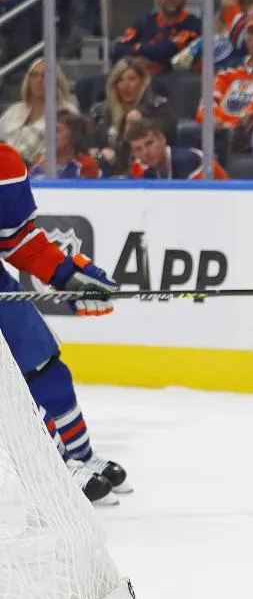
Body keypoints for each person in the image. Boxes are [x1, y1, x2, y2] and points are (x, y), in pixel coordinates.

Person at [0, 141, 128, 504]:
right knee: (9, 393)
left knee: (45, 368)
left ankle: (83, 458)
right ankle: (56, 468)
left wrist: (66, 274)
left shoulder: (4, 164)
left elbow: (17, 237)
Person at [88, 57, 176, 176]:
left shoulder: (158, 106)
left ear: (142, 81)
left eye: (131, 79)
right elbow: (89, 146)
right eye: (120, 80)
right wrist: (100, 155)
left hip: (148, 173)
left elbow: (168, 137)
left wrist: (141, 123)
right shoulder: (101, 112)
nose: (126, 85)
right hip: (108, 176)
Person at [111, 0, 202, 75]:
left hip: (175, 83)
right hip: (141, 80)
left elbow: (168, 52)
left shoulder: (194, 25)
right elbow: (119, 49)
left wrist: (138, 47)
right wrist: (136, 61)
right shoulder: (143, 23)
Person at [0, 58, 80, 165]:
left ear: (56, 80)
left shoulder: (68, 112)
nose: (39, 80)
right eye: (34, 75)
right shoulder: (14, 111)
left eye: (45, 75)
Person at [126, 119, 229, 180]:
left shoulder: (191, 162)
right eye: (138, 149)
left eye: (149, 144)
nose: (145, 152)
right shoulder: (141, 168)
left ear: (162, 139)